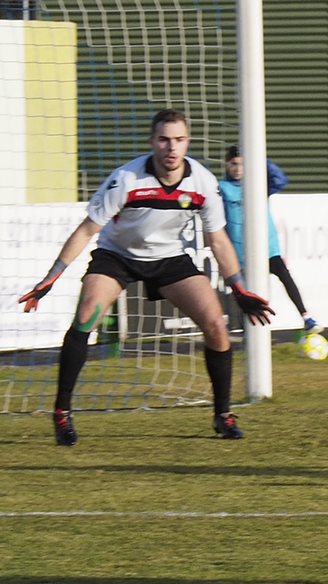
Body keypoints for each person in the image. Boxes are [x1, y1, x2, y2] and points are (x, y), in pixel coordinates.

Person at [19, 109, 274, 445]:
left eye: (179, 140)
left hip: (170, 259)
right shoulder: (126, 179)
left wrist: (239, 288)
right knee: (86, 315)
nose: (172, 147)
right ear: (152, 141)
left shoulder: (202, 182)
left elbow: (218, 240)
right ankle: (62, 413)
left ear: (188, 142)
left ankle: (223, 415)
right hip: (117, 256)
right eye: (164, 139)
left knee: (216, 325)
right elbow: (86, 230)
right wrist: (50, 278)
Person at [220, 145, 322, 336]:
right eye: (233, 164)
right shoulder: (222, 189)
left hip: (266, 247)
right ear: (226, 164)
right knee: (245, 292)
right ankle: (248, 331)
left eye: (242, 164)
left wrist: (260, 159)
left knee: (285, 275)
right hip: (240, 252)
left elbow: (280, 180)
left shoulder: (257, 185)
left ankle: (306, 316)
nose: (238, 169)